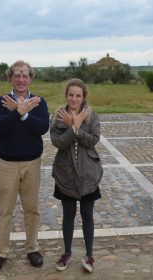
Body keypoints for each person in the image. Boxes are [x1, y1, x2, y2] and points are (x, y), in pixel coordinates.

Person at [0, 60, 50, 273]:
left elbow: (42, 127)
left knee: (31, 209)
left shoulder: (38, 102)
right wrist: (16, 112)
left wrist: (23, 113)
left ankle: (32, 248)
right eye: (17, 74)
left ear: (31, 78)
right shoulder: (1, 102)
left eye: (25, 75)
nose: (21, 79)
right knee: (4, 211)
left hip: (32, 163)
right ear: (10, 78)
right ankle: (1, 252)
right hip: (6, 163)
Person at [50, 78, 103, 273]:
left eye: (78, 95)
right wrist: (72, 128)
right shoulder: (57, 116)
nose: (74, 98)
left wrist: (78, 126)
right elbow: (58, 143)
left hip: (88, 174)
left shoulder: (92, 116)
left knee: (87, 215)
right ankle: (67, 253)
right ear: (66, 95)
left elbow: (92, 141)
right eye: (71, 95)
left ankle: (89, 255)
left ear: (83, 97)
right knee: (68, 216)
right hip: (65, 175)